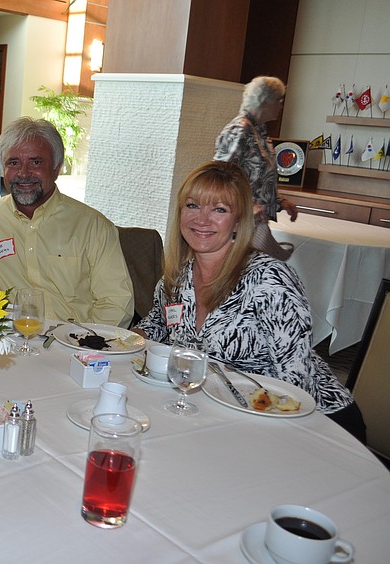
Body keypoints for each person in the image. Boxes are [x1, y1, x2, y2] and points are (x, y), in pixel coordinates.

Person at [133, 161, 366, 442]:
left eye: (219, 209)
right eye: (193, 205)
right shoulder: (176, 278)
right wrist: (127, 341)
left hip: (314, 423)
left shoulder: (268, 280)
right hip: (226, 411)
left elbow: (296, 383)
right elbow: (158, 326)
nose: (202, 219)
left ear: (239, 221)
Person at [0, 117, 134, 327]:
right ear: (2, 169)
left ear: (57, 168)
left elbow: (116, 302)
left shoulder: (93, 227)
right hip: (10, 344)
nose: (23, 173)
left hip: (76, 345)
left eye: (36, 162)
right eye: (13, 163)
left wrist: (82, 343)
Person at [214, 76, 298, 224]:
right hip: (237, 221)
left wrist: (280, 201)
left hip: (253, 221)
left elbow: (258, 181)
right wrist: (248, 206)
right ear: (265, 102)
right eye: (279, 100)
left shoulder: (258, 131)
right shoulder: (241, 129)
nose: (281, 106)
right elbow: (219, 176)